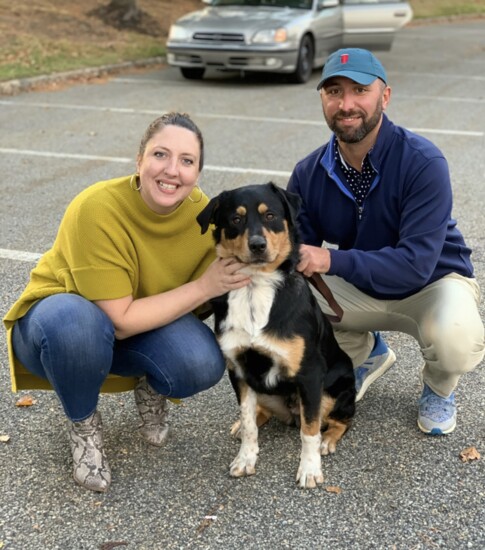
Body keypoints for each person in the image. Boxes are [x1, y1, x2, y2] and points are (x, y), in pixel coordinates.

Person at [3, 112, 250, 493]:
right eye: (160, 155)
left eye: (187, 161)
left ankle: (150, 385)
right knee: (76, 324)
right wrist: (204, 287)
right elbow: (118, 319)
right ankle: (84, 427)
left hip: (137, 325)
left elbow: (240, 267)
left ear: (198, 172)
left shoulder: (203, 216)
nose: (172, 170)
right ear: (139, 161)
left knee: (200, 362)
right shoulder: (98, 207)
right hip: (57, 327)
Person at [288, 48, 485, 436]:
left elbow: (415, 265)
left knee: (457, 336)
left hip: (432, 284)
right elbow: (298, 259)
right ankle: (363, 354)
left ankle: (438, 388)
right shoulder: (309, 172)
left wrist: (331, 260)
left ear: (385, 96)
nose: (346, 104)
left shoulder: (423, 161)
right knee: (294, 296)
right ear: (323, 100)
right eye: (333, 92)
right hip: (363, 287)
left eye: (360, 90)